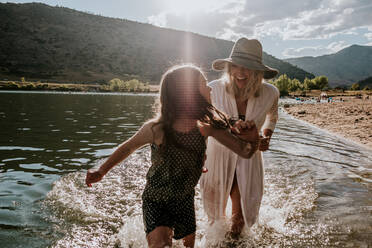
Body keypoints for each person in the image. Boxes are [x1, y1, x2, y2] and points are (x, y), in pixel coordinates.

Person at [85, 64, 260, 248]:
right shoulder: (156, 128)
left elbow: (245, 152)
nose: (209, 88)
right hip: (155, 199)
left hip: (184, 200)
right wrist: (102, 170)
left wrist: (254, 139)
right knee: (161, 245)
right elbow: (127, 148)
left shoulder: (206, 128)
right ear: (187, 92)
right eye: (203, 83)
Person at [200, 38, 280, 237]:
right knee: (215, 220)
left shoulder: (270, 93)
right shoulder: (213, 89)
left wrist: (265, 136)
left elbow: (272, 117)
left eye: (248, 67)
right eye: (235, 65)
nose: (240, 72)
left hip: (249, 159)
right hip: (216, 157)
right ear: (228, 67)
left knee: (239, 223)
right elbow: (199, 121)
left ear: (258, 71)